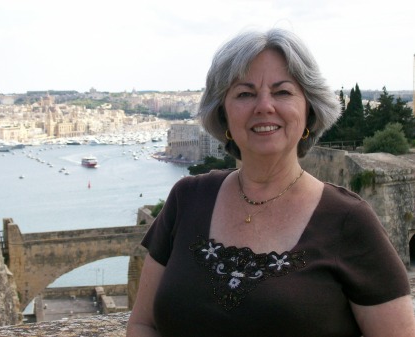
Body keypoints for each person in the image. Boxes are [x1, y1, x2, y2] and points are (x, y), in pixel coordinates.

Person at [127, 28, 415, 337]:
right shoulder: (187, 199)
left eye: (282, 92)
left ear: (309, 110)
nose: (264, 106)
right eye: (245, 94)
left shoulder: (348, 221)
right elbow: (144, 324)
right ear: (223, 115)